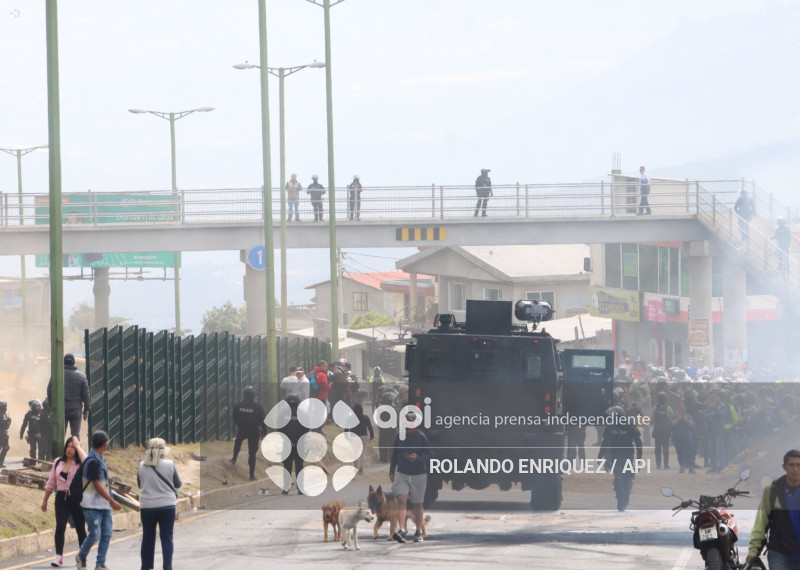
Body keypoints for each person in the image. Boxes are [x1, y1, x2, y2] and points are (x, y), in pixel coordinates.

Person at [746, 449, 800, 569]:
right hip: (779, 552)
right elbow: (761, 523)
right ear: (784, 467)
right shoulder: (772, 490)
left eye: (798, 465)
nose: (795, 469)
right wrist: (753, 552)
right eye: (791, 465)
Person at [75, 431, 121, 570]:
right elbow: (96, 484)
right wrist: (111, 501)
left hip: (104, 504)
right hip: (91, 505)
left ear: (92, 443)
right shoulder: (93, 461)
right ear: (105, 445)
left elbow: (101, 481)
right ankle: (81, 555)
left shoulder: (101, 459)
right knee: (95, 535)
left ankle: (100, 563)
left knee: (106, 534)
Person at [42, 436, 88, 568]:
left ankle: (82, 556)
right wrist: (45, 500)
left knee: (80, 528)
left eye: (72, 447)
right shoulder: (58, 462)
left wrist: (78, 446)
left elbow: (87, 459)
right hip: (61, 498)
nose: (69, 449)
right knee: (60, 526)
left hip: (77, 499)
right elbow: (51, 482)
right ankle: (59, 557)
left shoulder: (81, 464)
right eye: (68, 446)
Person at [389, 409, 433, 543]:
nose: (409, 429)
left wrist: (418, 458)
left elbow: (430, 455)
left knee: (417, 504)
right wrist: (392, 470)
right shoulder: (400, 436)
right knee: (401, 499)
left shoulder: (421, 437)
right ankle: (401, 530)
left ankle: (418, 531)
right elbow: (395, 454)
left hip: (418, 474)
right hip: (402, 472)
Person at [137, 438, 182, 570]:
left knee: (147, 537)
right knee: (166, 537)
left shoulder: (141, 465)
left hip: (147, 507)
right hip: (167, 506)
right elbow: (178, 484)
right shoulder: (170, 464)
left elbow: (140, 485)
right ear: (162, 451)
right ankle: (167, 566)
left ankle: (146, 567)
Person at [598, 405, 642, 512]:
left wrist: (639, 457)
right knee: (617, 477)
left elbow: (638, 441)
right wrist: (600, 456)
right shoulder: (610, 426)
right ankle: (620, 497)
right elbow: (605, 442)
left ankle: (626, 495)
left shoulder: (629, 425)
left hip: (627, 456)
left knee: (628, 477)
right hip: (614, 456)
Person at [46, 353, 91, 439]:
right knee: (75, 435)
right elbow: (86, 395)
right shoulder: (81, 377)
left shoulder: (56, 375)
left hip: (60, 410)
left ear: (63, 362)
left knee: (59, 435)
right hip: (76, 410)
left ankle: (60, 452)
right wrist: (87, 409)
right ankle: (75, 451)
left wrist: (52, 406)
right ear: (74, 363)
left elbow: (49, 391)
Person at [230, 386, 267, 481]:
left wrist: (240, 425)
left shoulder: (239, 405)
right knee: (252, 453)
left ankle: (234, 459)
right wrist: (264, 431)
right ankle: (251, 475)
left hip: (242, 429)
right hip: (254, 431)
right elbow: (263, 419)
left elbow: (234, 417)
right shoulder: (257, 406)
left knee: (238, 442)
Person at [279, 395, 307, 495]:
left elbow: (279, 429)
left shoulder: (283, 414)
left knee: (287, 466)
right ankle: (300, 488)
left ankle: (285, 488)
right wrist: (296, 441)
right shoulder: (302, 414)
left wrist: (289, 441)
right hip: (299, 444)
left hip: (287, 444)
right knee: (299, 466)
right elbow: (306, 429)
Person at [345, 403, 374, 474]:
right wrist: (371, 437)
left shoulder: (350, 418)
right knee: (362, 454)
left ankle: (355, 468)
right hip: (364, 438)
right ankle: (361, 469)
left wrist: (347, 437)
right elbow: (370, 428)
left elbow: (346, 429)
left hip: (354, 438)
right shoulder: (366, 417)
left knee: (355, 454)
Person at [705, 389, 727, 473]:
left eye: (715, 396)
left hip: (719, 430)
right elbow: (706, 416)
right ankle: (713, 466)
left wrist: (716, 409)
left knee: (719, 449)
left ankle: (721, 466)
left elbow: (723, 415)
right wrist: (710, 414)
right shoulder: (709, 406)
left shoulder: (722, 405)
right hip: (710, 430)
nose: (713, 398)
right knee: (712, 449)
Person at [670, 403, 696, 474]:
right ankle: (682, 466)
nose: (681, 410)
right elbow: (672, 424)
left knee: (689, 453)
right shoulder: (674, 416)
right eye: (679, 408)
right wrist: (678, 418)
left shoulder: (688, 416)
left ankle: (690, 467)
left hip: (687, 437)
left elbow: (692, 424)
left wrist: (686, 420)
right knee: (679, 453)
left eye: (682, 408)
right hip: (677, 437)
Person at [652, 392, 672, 470]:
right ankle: (666, 465)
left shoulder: (655, 408)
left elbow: (652, 418)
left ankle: (658, 465)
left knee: (657, 448)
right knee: (666, 447)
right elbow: (670, 418)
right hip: (665, 430)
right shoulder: (668, 408)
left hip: (657, 429)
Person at [0, 400, 10, 468]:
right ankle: (0, 463)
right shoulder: (3, 414)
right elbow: (5, 425)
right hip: (2, 433)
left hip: (3, 433)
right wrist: (9, 421)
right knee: (6, 447)